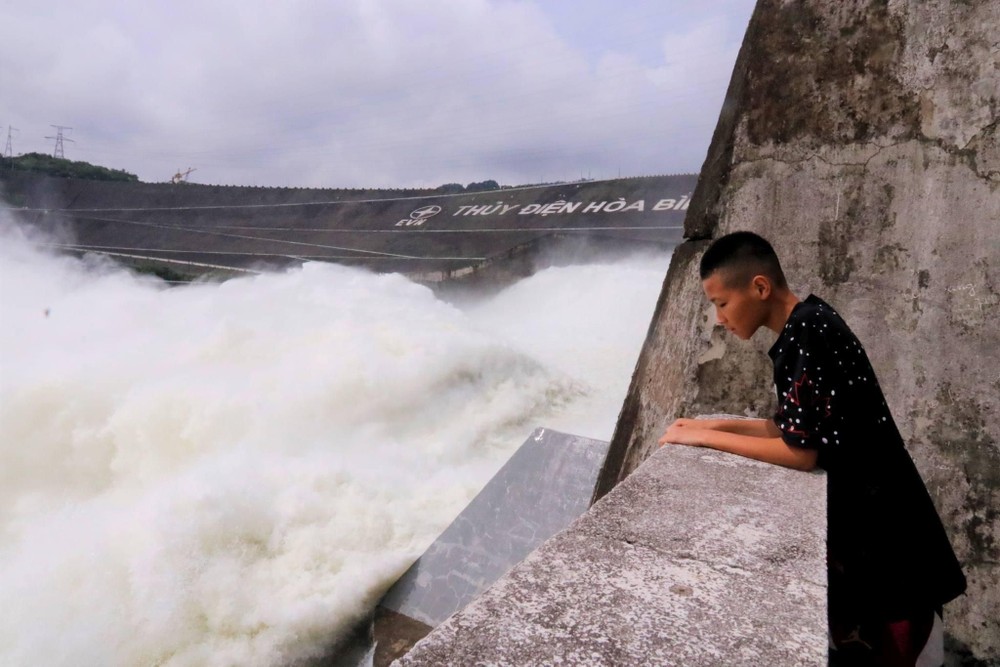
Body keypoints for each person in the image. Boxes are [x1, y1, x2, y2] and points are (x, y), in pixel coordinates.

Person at [659, 231, 966, 667]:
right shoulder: (810, 322)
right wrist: (714, 424)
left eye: (721, 303)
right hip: (882, 539)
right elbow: (794, 426)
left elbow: (800, 452)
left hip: (892, 551)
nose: (719, 319)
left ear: (760, 287)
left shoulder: (808, 334)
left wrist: (704, 438)